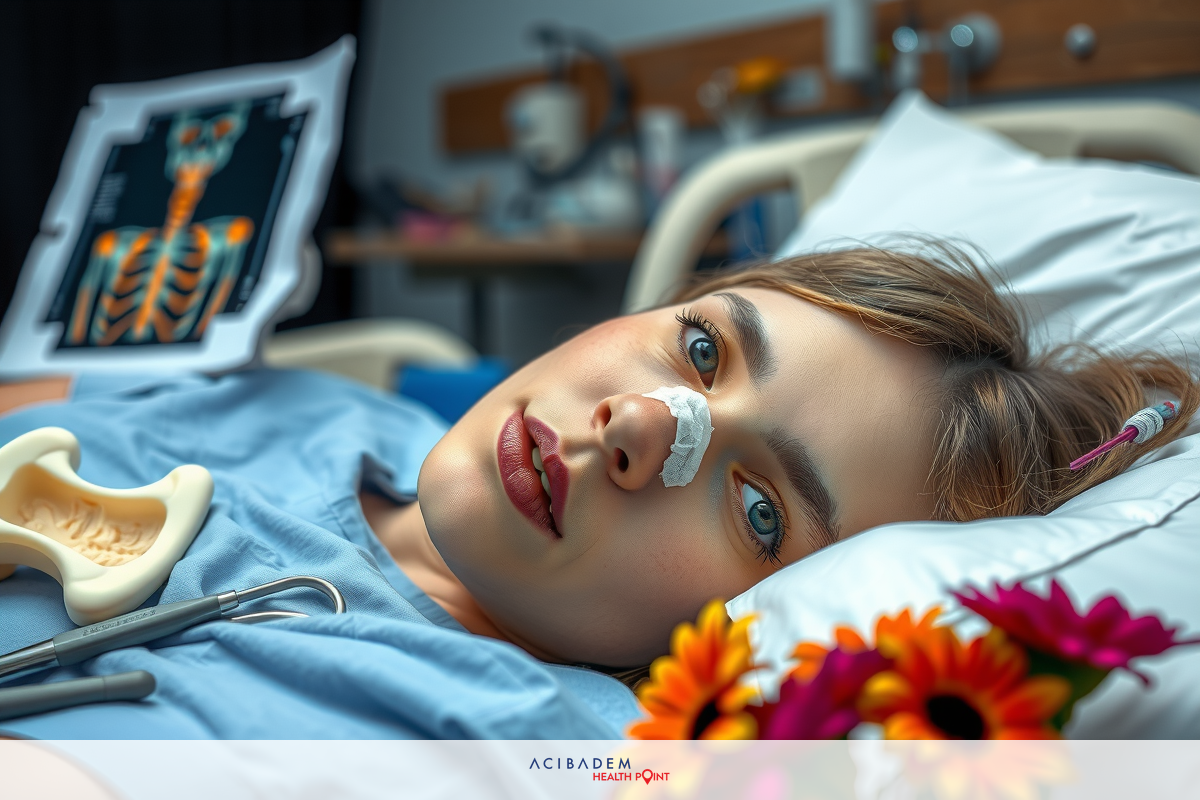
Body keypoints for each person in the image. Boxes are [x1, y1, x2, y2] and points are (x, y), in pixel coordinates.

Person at [1, 243, 1196, 737]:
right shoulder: (325, 411)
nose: (640, 426)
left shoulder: (509, 738)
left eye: (760, 508)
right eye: (703, 351)